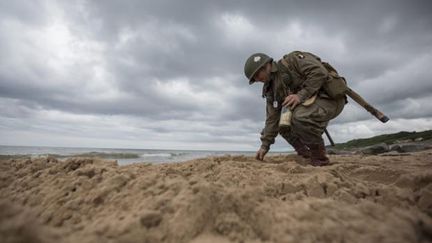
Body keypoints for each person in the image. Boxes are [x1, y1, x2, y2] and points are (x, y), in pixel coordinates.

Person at [244, 51, 346, 166]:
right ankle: (306, 154)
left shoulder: (292, 61)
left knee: (299, 116)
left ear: (266, 66)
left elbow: (319, 72)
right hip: (308, 107)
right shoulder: (270, 89)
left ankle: (320, 159)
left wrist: (300, 96)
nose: (258, 80)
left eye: (257, 75)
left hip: (330, 99)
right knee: (282, 124)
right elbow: (272, 119)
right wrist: (264, 146)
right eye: (255, 79)